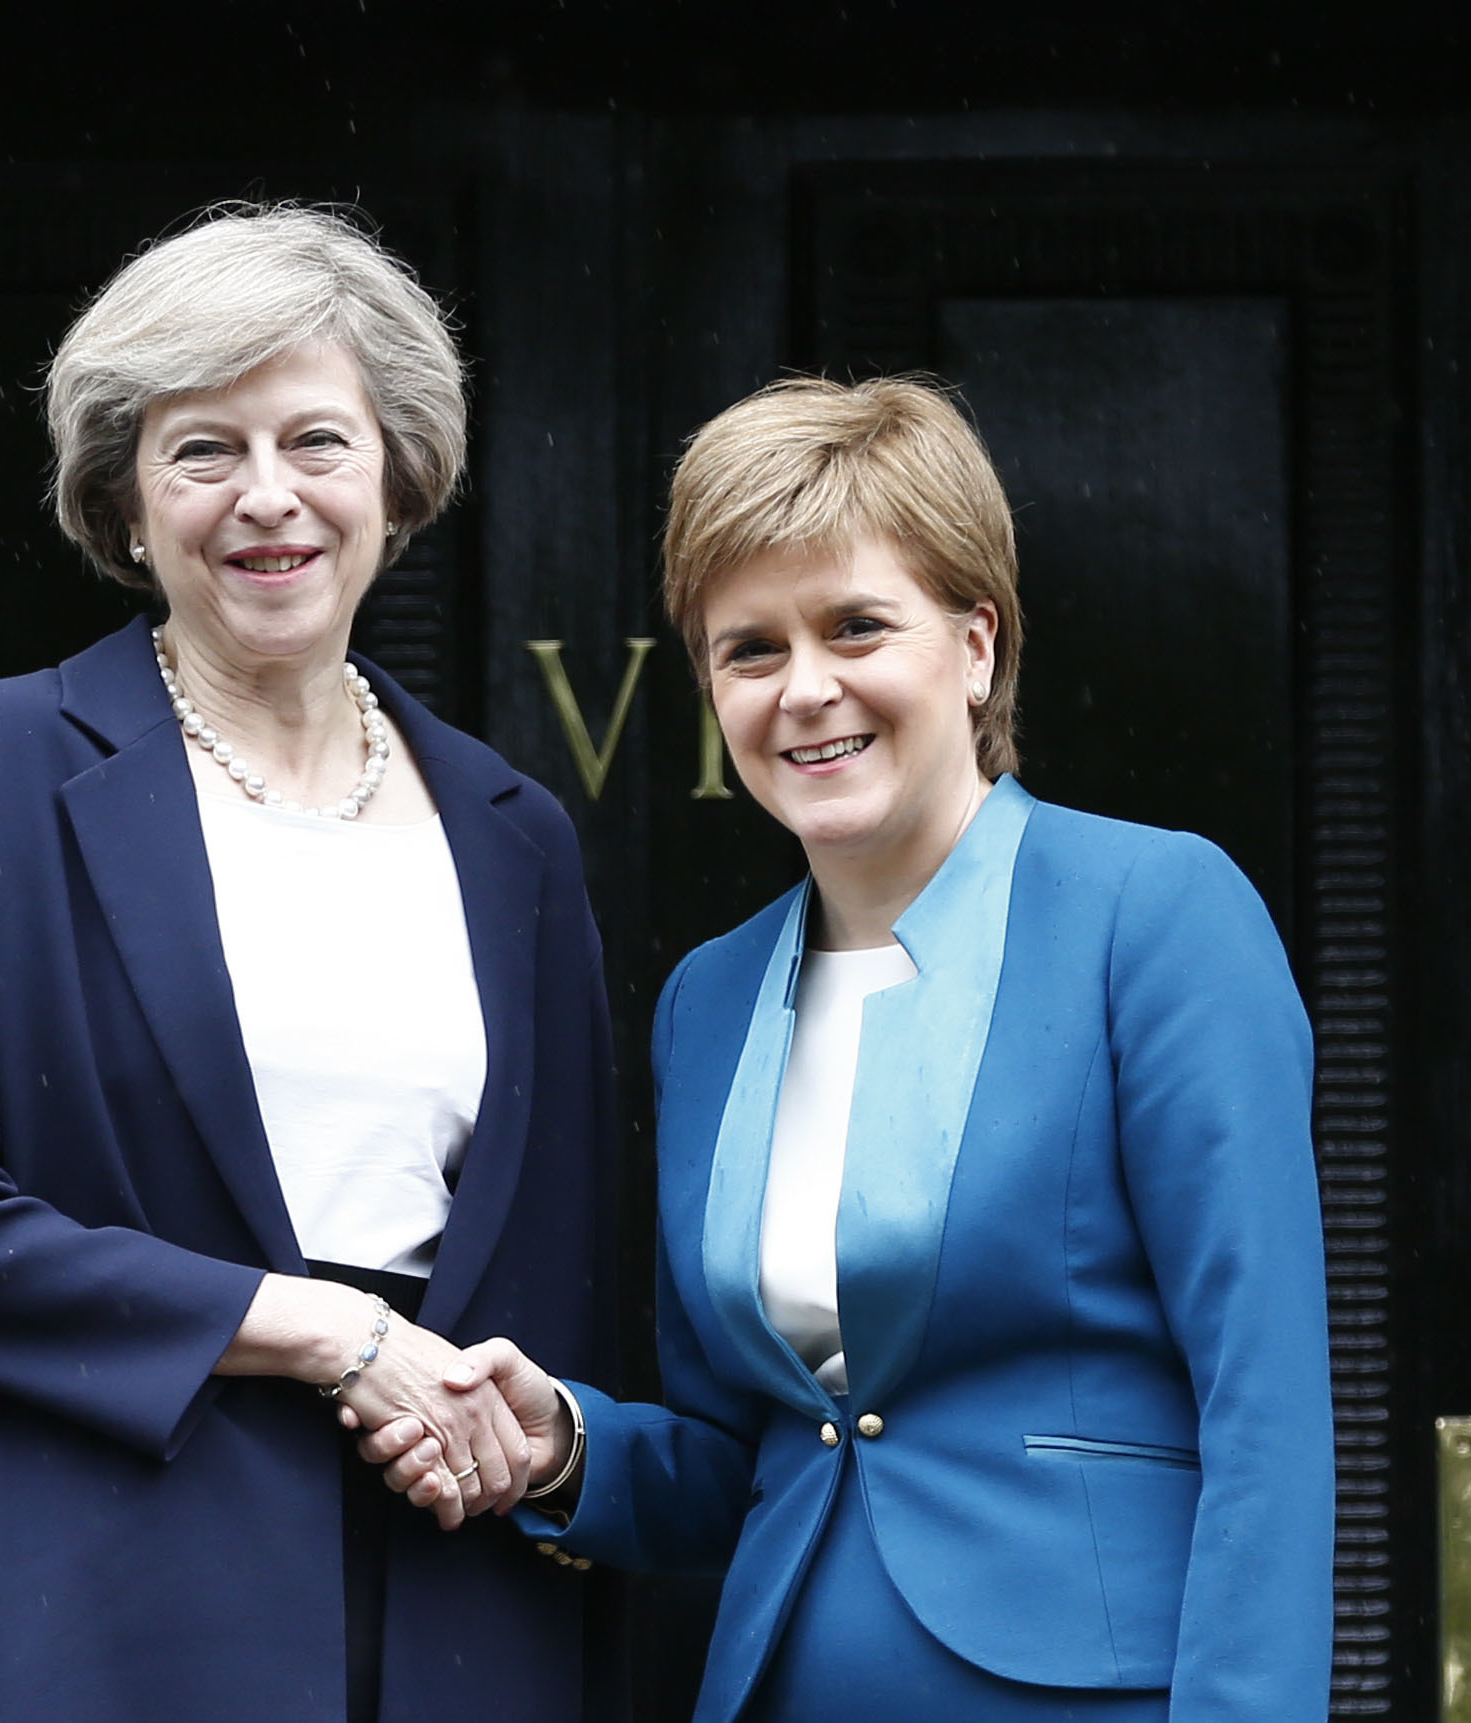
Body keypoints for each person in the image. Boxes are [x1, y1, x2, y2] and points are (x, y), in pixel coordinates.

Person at [364, 376, 1335, 1721]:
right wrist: (569, 1448)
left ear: (976, 644)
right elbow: (749, 1460)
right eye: (749, 649)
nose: (805, 688)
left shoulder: (1154, 915)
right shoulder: (709, 1000)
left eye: (857, 627)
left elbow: (1265, 1407)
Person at [0, 205, 612, 1723]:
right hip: (100, 1607)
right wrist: (334, 1334)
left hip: (452, 1606)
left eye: (318, 439)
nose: (269, 499)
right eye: (203, 451)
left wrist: (541, 1444)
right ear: (124, 500)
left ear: (399, 474)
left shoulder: (516, 840)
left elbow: (564, 1294)